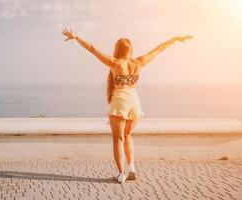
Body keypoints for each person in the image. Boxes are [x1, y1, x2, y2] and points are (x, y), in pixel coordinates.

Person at [62, 28, 193, 183]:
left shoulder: (115, 63)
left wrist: (76, 37)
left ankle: (121, 174)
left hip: (120, 102)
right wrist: (175, 39)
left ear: (117, 50)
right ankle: (131, 168)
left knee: (118, 139)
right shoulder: (138, 62)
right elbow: (159, 49)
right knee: (127, 135)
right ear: (131, 50)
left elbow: (93, 49)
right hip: (134, 102)